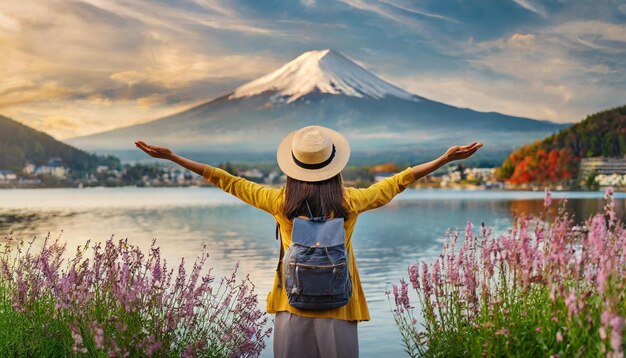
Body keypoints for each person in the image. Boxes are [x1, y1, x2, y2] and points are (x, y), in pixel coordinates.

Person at [135, 125, 483, 358]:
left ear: (293, 166)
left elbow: (227, 181)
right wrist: (444, 159)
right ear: (335, 165)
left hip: (292, 306)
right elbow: (398, 181)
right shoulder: (349, 203)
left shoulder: (279, 203)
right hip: (340, 308)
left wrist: (173, 157)